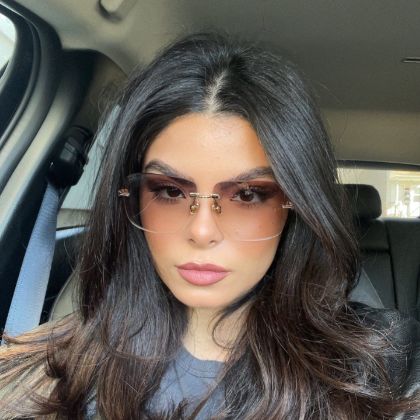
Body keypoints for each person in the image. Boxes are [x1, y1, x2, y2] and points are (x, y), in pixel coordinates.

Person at [1, 31, 419, 420]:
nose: (202, 232)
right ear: (131, 198)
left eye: (248, 195)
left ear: (294, 205)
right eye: (169, 191)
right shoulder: (50, 371)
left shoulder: (387, 363)